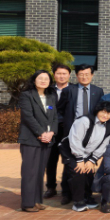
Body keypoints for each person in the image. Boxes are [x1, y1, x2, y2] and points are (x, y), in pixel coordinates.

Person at [56, 64, 104, 205]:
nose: (84, 77)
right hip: (72, 134)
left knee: (88, 165)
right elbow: (59, 111)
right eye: (81, 74)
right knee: (71, 165)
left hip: (90, 135)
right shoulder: (69, 90)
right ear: (76, 76)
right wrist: (64, 126)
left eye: (87, 74)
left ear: (92, 75)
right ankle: (66, 193)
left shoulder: (98, 91)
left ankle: (87, 194)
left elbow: (100, 112)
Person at [59, 101, 110, 212]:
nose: (105, 115)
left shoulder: (108, 127)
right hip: (70, 150)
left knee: (89, 172)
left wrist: (92, 160)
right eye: (103, 112)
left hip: (88, 153)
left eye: (109, 113)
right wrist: (79, 159)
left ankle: (87, 197)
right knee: (78, 171)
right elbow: (75, 139)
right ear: (97, 111)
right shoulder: (84, 121)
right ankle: (78, 201)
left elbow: (103, 146)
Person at [18, 70, 58, 212]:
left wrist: (52, 132)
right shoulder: (26, 96)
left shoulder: (51, 96)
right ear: (34, 80)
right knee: (30, 172)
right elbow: (28, 117)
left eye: (46, 78)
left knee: (40, 171)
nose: (43, 81)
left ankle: (36, 201)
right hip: (31, 139)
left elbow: (55, 117)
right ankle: (28, 203)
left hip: (47, 139)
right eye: (40, 78)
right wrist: (41, 133)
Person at [44, 63, 71, 199]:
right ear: (54, 75)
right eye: (59, 73)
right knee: (51, 159)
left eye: (64, 73)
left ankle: (66, 187)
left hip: (68, 130)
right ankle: (51, 187)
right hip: (51, 130)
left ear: (69, 75)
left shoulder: (74, 90)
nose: (61, 76)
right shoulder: (48, 90)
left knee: (68, 159)